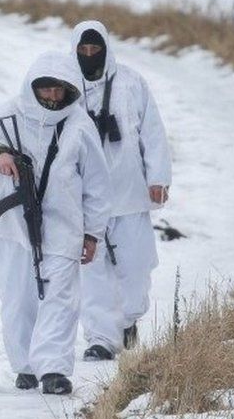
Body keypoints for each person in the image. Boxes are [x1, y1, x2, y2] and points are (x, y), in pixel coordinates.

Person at [0, 51, 110, 394]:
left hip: (64, 225)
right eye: (46, 89)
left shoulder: (79, 125)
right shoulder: (7, 113)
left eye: (60, 90)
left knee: (61, 298)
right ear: (33, 87)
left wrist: (92, 232)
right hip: (12, 226)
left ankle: (54, 370)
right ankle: (26, 365)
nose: (53, 97)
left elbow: (98, 184)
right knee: (18, 297)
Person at [72, 20, 172, 361]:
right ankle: (101, 337)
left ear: (105, 48)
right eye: (82, 50)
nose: (89, 55)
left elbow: (152, 131)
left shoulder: (131, 83)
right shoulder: (67, 84)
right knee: (93, 271)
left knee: (136, 265)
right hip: (85, 199)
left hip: (128, 192)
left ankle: (128, 320)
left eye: (94, 49)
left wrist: (158, 176)